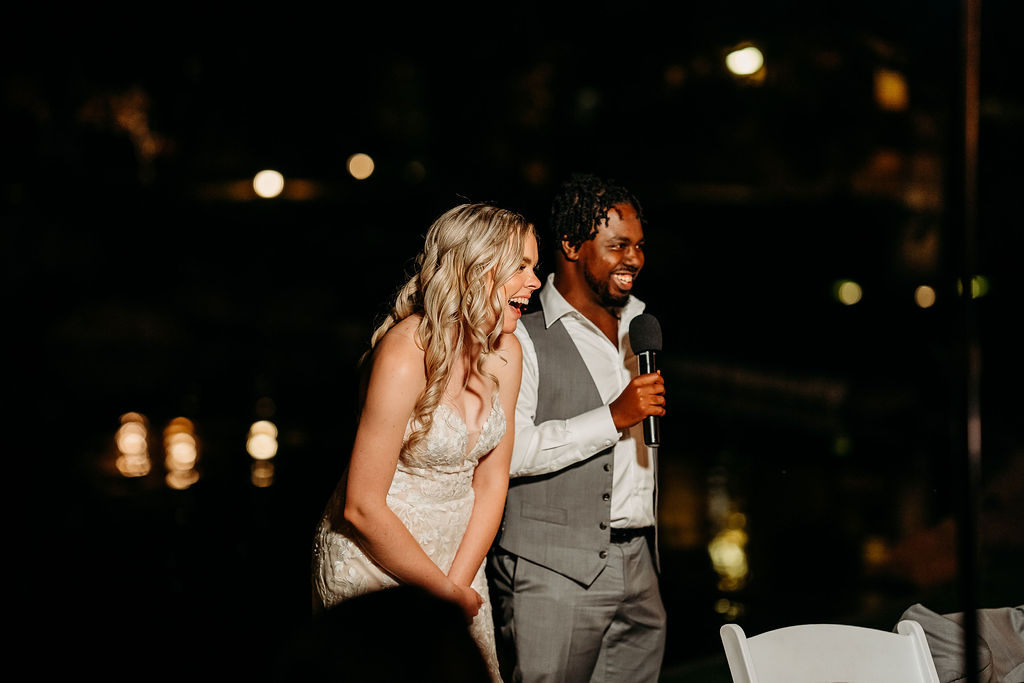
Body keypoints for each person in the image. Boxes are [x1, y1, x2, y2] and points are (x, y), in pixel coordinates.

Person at [311, 203, 542, 683]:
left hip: (459, 564)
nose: (535, 281)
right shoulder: (404, 352)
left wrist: (458, 584)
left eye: (533, 268)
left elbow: (493, 480)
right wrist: (441, 591)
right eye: (521, 266)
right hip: (375, 562)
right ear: (474, 268)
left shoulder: (509, 353)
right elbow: (361, 507)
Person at [487, 173, 668, 682]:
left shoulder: (641, 326)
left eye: (637, 246)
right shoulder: (521, 335)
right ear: (570, 245)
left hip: (641, 565)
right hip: (554, 569)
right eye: (617, 246)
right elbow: (512, 453)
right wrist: (613, 417)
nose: (633, 259)